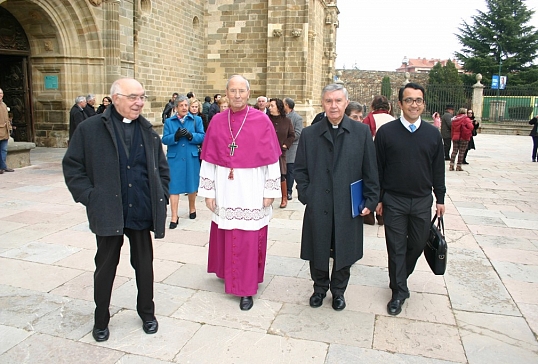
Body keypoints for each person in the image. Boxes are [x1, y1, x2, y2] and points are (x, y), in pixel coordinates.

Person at [62, 78, 170, 342]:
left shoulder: (148, 131)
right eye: (133, 97)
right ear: (116, 98)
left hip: (142, 208)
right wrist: (90, 197)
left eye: (142, 97)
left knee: (144, 265)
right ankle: (101, 319)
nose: (139, 102)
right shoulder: (89, 129)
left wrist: (162, 194)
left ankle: (147, 313)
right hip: (109, 208)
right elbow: (72, 166)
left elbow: (162, 168)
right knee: (106, 265)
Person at [198, 75, 281, 311]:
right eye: (232, 91)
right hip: (225, 187)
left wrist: (270, 191)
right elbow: (209, 160)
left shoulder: (261, 121)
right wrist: (208, 192)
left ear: (249, 93)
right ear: (226, 93)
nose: (237, 95)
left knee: (247, 237)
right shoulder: (216, 121)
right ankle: (228, 273)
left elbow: (272, 160)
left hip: (252, 188)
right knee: (227, 232)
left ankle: (245, 289)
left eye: (241, 91)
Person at [294, 83, 379, 311]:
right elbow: (300, 169)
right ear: (323, 103)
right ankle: (319, 288)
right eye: (329, 101)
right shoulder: (310, 134)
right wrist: (307, 194)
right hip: (318, 202)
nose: (333, 106)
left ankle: (339, 291)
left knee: (344, 248)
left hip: (347, 204)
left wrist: (370, 199)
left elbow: (371, 169)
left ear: (346, 103)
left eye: (338, 101)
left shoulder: (360, 132)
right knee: (318, 247)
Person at [374, 82, 445, 316]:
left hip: (422, 201)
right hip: (394, 200)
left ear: (423, 104)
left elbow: (438, 170)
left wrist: (440, 198)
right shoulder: (386, 133)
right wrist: (379, 198)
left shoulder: (433, 134)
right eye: (409, 100)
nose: (413, 104)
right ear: (400, 104)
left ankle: (399, 276)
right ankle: (398, 292)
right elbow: (378, 168)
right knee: (395, 247)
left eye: (418, 100)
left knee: (416, 245)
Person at [162, 95, 205, 225]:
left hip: (191, 157)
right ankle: (174, 216)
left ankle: (192, 207)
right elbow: (164, 139)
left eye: (186, 105)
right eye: (181, 105)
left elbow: (203, 136)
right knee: (173, 187)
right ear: (176, 108)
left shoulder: (196, 120)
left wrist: (192, 136)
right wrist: (175, 136)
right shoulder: (169, 122)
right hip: (175, 158)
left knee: (192, 185)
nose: (184, 108)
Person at [268, 98, 295, 208]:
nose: (269, 108)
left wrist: (285, 145)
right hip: (267, 152)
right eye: (269, 106)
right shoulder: (266, 119)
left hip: (280, 153)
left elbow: (292, 135)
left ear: (278, 108)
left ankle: (284, 198)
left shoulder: (287, 121)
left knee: (282, 175)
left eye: (272, 106)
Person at [283, 97, 303, 201]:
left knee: (290, 170)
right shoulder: (282, 116)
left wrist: (286, 140)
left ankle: (289, 191)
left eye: (283, 104)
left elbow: (298, 133)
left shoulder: (297, 118)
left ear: (287, 106)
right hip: (281, 148)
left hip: (292, 148)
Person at [0, 88, 14, 173]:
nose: (0, 95)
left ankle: (3, 166)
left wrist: (9, 127)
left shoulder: (4, 104)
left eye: (1, 93)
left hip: (5, 131)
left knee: (3, 150)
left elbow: (6, 118)